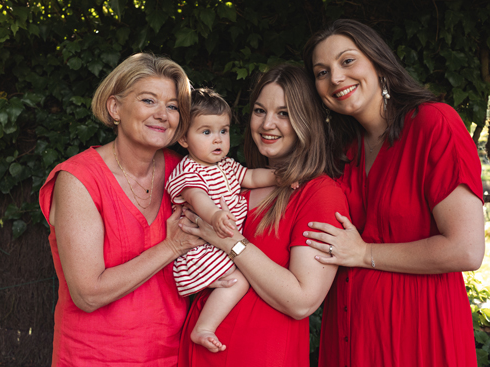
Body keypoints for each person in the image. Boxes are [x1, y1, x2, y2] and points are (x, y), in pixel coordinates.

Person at [302, 19, 485, 367]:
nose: (336, 77)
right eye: (321, 72)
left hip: (419, 331)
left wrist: (364, 253)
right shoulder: (341, 148)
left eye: (347, 61)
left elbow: (467, 249)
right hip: (349, 331)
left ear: (378, 60)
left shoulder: (434, 124)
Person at [38, 53, 206, 367]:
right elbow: (88, 294)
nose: (162, 115)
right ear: (115, 108)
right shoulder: (78, 180)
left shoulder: (184, 172)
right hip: (93, 357)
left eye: (172, 106)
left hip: (171, 355)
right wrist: (172, 246)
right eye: (148, 100)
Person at [177, 64, 349, 367]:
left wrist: (232, 242)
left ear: (306, 119)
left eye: (283, 113)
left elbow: (302, 301)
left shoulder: (319, 193)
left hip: (261, 355)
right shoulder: (230, 183)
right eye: (259, 110)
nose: (268, 123)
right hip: (201, 351)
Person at [166, 88, 286, 352]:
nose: (218, 139)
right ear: (184, 139)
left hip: (220, 244)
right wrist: (216, 215)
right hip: (202, 250)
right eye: (206, 132)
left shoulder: (227, 166)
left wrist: (282, 177)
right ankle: (204, 328)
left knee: (247, 274)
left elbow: (253, 178)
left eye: (223, 130)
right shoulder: (188, 170)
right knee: (241, 280)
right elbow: (198, 199)